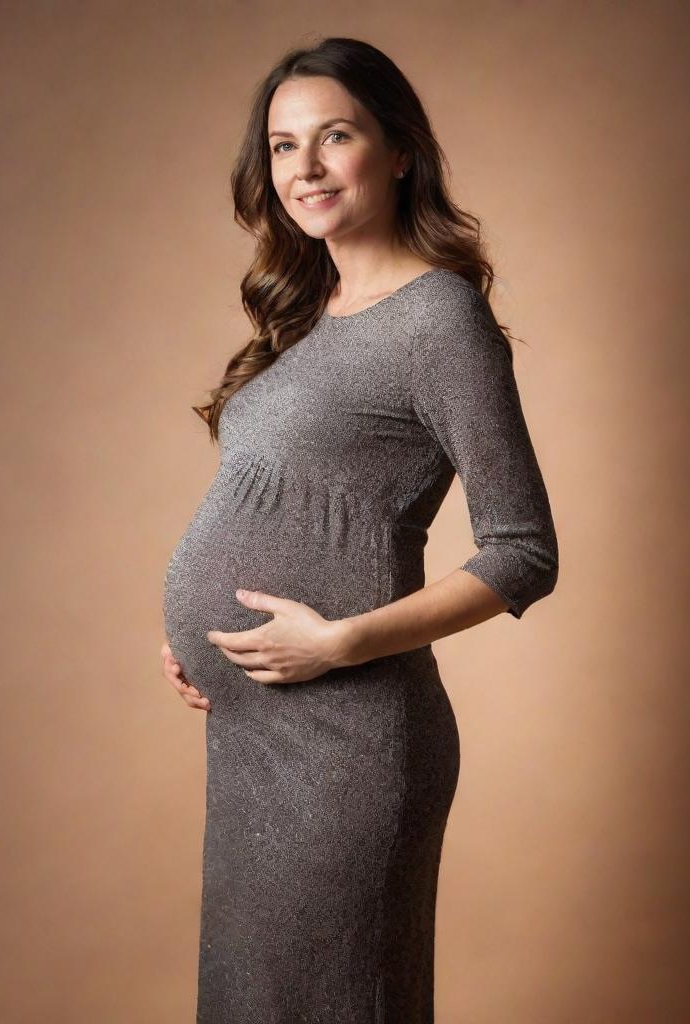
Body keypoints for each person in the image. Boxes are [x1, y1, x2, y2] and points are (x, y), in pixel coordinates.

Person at [160, 36, 559, 1023]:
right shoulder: (306, 319)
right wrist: (196, 638)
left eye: (333, 136)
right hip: (254, 736)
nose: (304, 167)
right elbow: (276, 499)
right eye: (283, 145)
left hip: (350, 742)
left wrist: (336, 641)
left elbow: (524, 550)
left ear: (396, 151)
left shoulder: (438, 319)